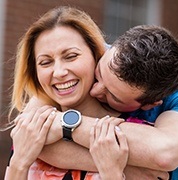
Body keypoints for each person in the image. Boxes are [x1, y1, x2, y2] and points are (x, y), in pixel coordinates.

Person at [18, 25, 178, 179]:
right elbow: (29, 135)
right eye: (99, 73)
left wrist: (62, 123)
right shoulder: (98, 52)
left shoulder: (174, 97)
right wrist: (120, 166)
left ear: (150, 104)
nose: (95, 91)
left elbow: (164, 154)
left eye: (113, 95)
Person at [4, 6, 129, 180]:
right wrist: (18, 163)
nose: (59, 72)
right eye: (45, 62)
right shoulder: (32, 129)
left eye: (70, 56)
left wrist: (112, 174)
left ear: (96, 56)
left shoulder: (133, 125)